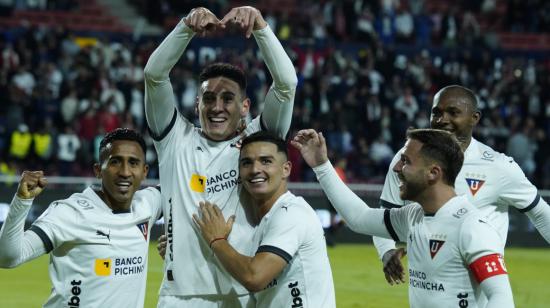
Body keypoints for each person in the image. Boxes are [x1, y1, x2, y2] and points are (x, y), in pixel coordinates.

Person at [143, 5, 297, 307]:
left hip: (240, 296)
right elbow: (154, 75)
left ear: (244, 106)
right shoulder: (175, 140)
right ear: (197, 103)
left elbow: (286, 85)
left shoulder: (256, 143)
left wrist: (262, 28)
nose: (217, 107)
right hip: (178, 299)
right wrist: (186, 27)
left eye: (228, 98)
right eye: (209, 98)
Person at [292, 128, 514, 308]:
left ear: (433, 173)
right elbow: (359, 218)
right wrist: (322, 166)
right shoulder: (413, 215)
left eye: (405, 161)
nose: (397, 167)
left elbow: (502, 298)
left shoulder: (472, 227)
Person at [373, 85, 550, 286]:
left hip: (479, 288)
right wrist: (386, 251)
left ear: (474, 118)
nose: (442, 120)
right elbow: (385, 213)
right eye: (436, 112)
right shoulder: (408, 159)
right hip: (425, 286)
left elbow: (541, 214)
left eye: (453, 112)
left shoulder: (498, 167)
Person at [0, 128, 163, 308]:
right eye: (115, 162)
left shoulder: (148, 204)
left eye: (133, 163)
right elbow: (8, 258)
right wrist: (21, 201)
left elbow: (187, 189)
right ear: (98, 170)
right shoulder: (71, 212)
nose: (125, 172)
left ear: (145, 171)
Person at [192, 131, 335, 307]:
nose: (255, 169)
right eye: (247, 163)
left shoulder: (291, 213)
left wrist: (217, 240)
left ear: (286, 169)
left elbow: (254, 277)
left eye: (266, 161)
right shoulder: (263, 225)